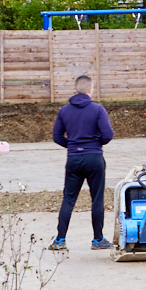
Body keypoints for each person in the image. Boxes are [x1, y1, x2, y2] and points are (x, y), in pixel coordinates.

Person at [50, 75, 114, 251]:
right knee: (97, 199)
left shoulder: (64, 111)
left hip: (74, 159)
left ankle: (60, 240)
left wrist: (72, 145)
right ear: (90, 90)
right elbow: (108, 135)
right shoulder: (98, 110)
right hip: (94, 158)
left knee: (68, 199)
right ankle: (98, 240)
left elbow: (57, 136)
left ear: (75, 89)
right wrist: (95, 144)